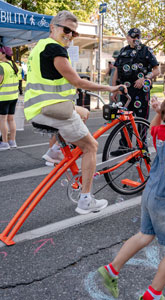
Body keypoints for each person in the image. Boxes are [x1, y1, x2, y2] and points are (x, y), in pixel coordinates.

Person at [97, 89, 165, 300]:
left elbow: (155, 126)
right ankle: (153, 295)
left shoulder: (160, 132)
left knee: (145, 235)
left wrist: (159, 111)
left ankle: (112, 269)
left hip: (151, 193)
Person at [24, 10, 126, 214]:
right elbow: (77, 81)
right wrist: (110, 88)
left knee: (83, 113)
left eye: (74, 33)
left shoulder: (39, 47)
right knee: (91, 147)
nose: (70, 35)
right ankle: (86, 200)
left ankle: (54, 152)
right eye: (66, 30)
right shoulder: (56, 50)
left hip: (39, 107)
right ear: (53, 27)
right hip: (52, 109)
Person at [110, 28, 160, 156]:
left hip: (141, 90)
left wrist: (145, 78)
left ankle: (142, 147)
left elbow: (156, 70)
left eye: (138, 36)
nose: (135, 39)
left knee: (141, 120)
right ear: (127, 37)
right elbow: (116, 71)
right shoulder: (123, 51)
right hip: (125, 90)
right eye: (132, 36)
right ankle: (124, 147)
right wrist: (114, 89)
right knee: (125, 119)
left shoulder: (146, 50)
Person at [0, 46, 19, 151]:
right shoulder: (14, 65)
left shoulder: (1, 66)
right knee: (11, 119)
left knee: (2, 120)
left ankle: (4, 142)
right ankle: (12, 141)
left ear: (3, 54)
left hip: (3, 97)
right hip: (13, 96)